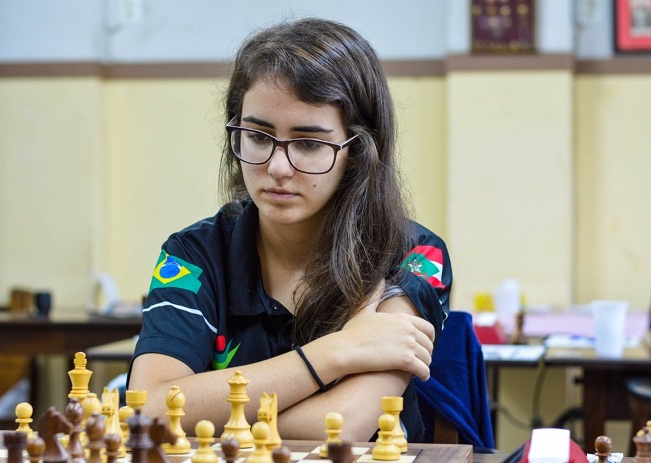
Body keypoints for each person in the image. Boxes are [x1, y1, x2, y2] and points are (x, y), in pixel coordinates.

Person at [128, 17, 452, 443]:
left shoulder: (413, 254)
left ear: (357, 153)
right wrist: (336, 353)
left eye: (309, 143)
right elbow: (148, 410)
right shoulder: (193, 254)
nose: (277, 168)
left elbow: (341, 426)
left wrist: (206, 416)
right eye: (258, 137)